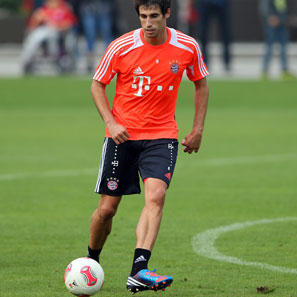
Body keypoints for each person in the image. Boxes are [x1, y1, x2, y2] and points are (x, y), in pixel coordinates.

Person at [87, 0, 209, 293]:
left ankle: (138, 270)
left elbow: (201, 83)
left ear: (167, 14)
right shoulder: (121, 46)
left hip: (162, 136)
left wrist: (198, 130)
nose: (149, 23)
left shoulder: (187, 46)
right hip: (122, 137)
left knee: (156, 197)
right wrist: (111, 122)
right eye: (143, 16)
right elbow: (96, 85)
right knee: (107, 210)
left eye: (154, 16)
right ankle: (91, 261)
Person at [21, 0, 78, 74]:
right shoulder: (43, 10)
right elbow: (33, 24)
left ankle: (57, 60)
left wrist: (57, 25)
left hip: (59, 33)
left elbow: (70, 24)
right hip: (44, 31)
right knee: (34, 38)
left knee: (53, 37)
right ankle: (27, 61)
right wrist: (37, 19)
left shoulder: (64, 10)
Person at [259, 0, 297, 80]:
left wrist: (288, 16)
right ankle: (265, 71)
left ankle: (284, 70)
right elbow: (264, 6)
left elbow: (283, 6)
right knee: (269, 47)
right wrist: (270, 16)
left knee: (283, 48)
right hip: (272, 23)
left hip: (282, 22)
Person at [78, 0, 115, 72]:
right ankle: (90, 61)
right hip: (89, 9)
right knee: (90, 35)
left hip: (104, 9)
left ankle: (111, 61)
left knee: (107, 34)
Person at [196, 0, 231, 72]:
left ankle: (227, 61)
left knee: (225, 32)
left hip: (221, 3)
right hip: (204, 3)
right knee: (203, 33)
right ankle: (204, 61)